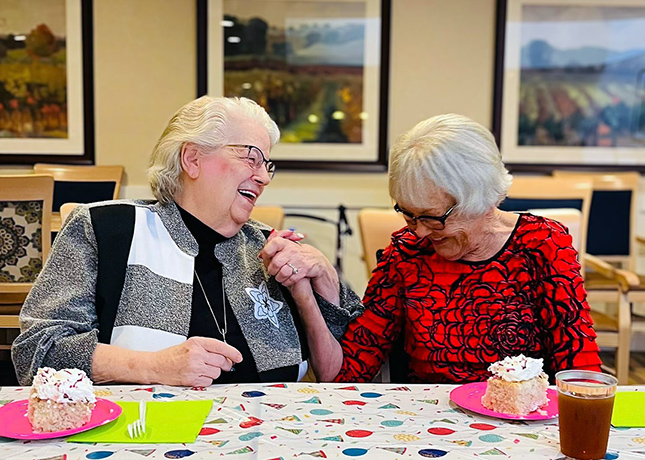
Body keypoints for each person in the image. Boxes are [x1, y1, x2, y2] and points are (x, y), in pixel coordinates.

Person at [12, 96, 363, 386]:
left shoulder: (271, 247)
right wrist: (152, 367)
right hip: (143, 440)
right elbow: (36, 351)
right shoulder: (107, 229)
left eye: (266, 165)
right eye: (250, 157)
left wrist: (323, 281)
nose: (262, 177)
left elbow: (357, 364)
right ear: (192, 159)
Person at [318, 113, 602, 383]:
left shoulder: (541, 244)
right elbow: (352, 370)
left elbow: (579, 368)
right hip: (426, 420)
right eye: (408, 215)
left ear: (481, 200)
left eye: (433, 218)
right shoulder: (406, 253)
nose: (419, 231)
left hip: (520, 419)